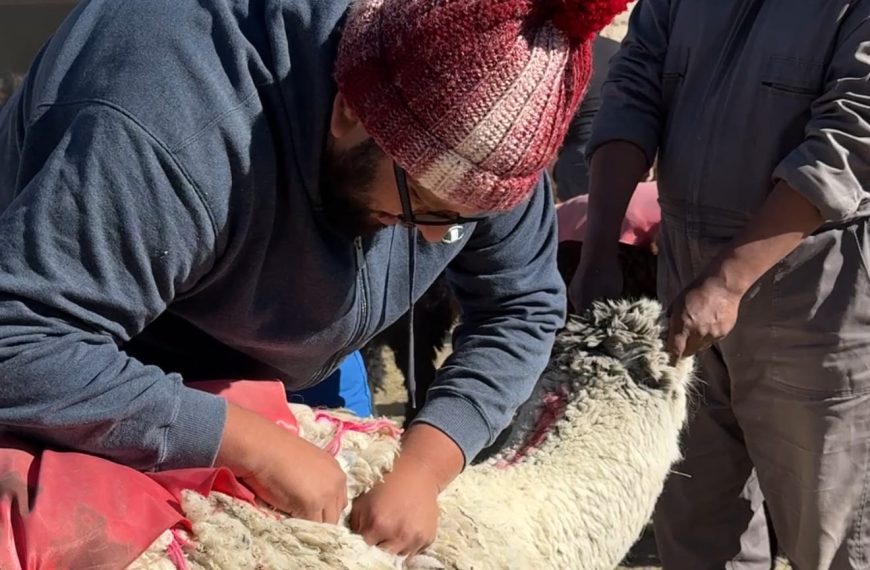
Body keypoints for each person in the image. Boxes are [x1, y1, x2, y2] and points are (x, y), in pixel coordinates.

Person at [0, 0, 629, 558]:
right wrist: (247, 441)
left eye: (464, 222)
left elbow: (520, 306)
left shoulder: (486, 132)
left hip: (298, 348)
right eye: (428, 211)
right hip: (100, 359)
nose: (438, 240)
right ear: (352, 112)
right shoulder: (164, 119)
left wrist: (426, 462)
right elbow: (20, 343)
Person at [573, 1, 870, 568]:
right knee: (693, 520)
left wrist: (728, 282)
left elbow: (852, 137)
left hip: (818, 291)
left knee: (829, 532)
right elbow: (633, 84)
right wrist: (600, 247)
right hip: (680, 275)